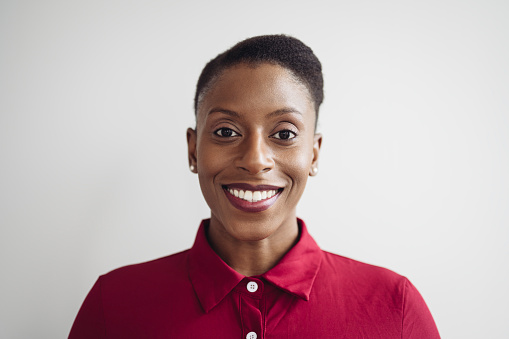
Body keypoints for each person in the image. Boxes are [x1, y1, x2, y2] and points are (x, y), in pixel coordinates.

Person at [69, 34, 440, 338]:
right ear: (193, 149)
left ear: (313, 154)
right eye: (226, 131)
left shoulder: (395, 307)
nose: (255, 159)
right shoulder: (114, 304)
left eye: (283, 133)